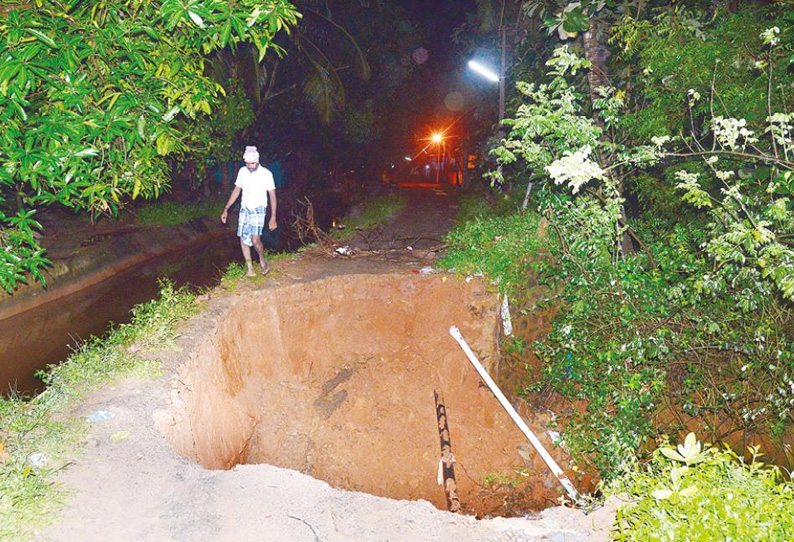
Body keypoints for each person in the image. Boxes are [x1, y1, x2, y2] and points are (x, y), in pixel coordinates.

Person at [221, 146, 278, 277]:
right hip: (244, 209)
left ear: (257, 161)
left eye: (252, 163)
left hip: (259, 209)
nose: (249, 166)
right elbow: (237, 190)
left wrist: (273, 217)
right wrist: (226, 209)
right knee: (243, 238)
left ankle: (262, 260)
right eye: (247, 163)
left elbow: (272, 196)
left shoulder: (266, 174)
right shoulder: (242, 171)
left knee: (255, 240)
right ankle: (250, 269)